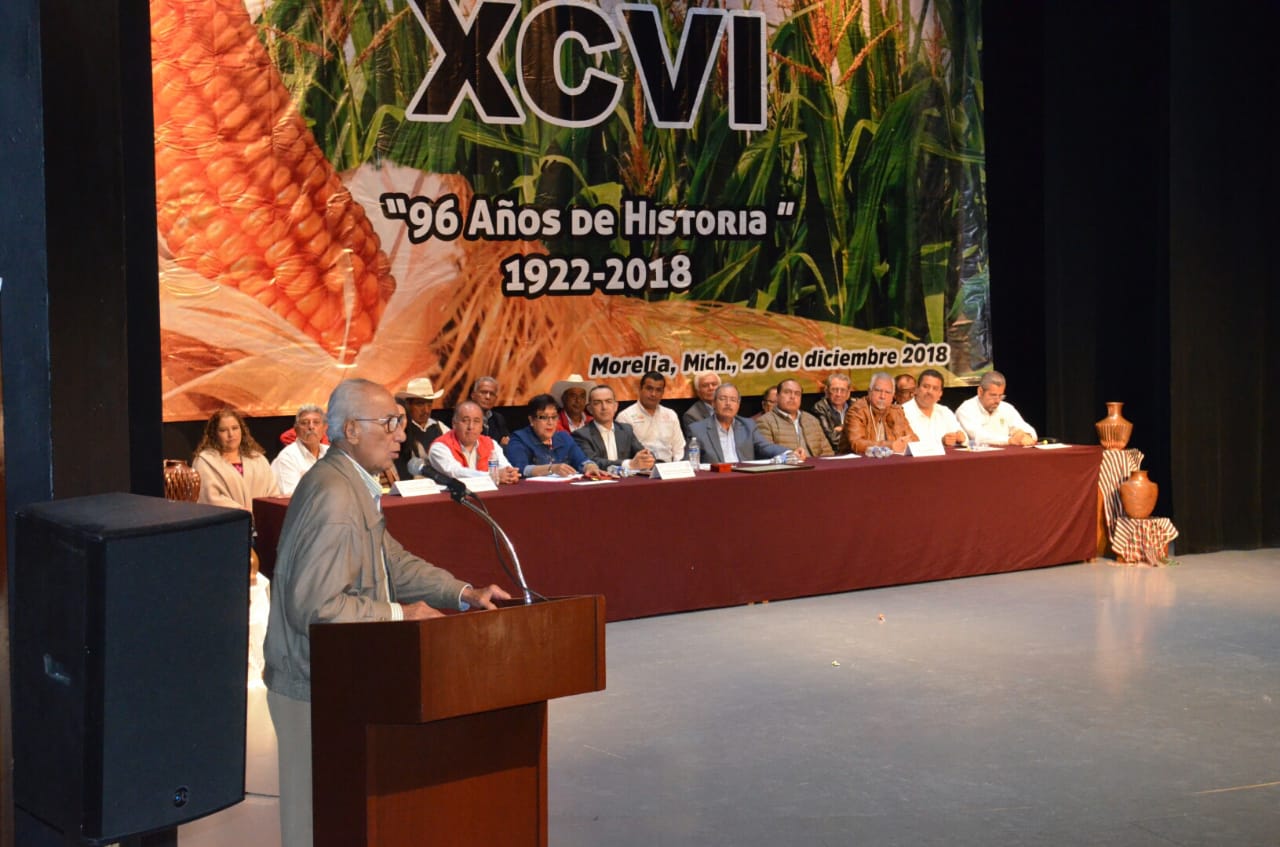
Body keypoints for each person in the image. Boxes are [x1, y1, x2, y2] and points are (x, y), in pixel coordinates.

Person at [263, 379, 510, 847]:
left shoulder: (352, 482)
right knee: (316, 824)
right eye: (390, 423)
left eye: (401, 422)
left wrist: (461, 592)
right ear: (351, 429)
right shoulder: (335, 495)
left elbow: (389, 561)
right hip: (311, 687)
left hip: (336, 681)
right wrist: (401, 613)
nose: (401, 434)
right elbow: (314, 608)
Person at [193, 407, 281, 511]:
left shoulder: (258, 459)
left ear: (242, 430)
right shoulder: (205, 461)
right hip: (228, 522)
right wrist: (241, 512)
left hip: (262, 521)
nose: (231, 434)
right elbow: (210, 497)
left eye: (235, 428)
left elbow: (273, 493)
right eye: (223, 430)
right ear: (214, 434)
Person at [505, 394, 610, 478]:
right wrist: (552, 469)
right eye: (544, 417)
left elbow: (582, 460)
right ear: (531, 420)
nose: (550, 422)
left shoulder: (564, 438)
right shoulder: (519, 439)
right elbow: (520, 469)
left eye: (554, 417)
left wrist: (589, 466)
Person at [687, 384, 788, 463]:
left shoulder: (748, 425)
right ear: (713, 403)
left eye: (733, 400)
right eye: (723, 399)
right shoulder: (697, 430)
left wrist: (789, 453)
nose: (728, 403)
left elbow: (766, 447)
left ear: (738, 405)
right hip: (715, 481)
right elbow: (688, 462)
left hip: (743, 479)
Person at [428, 401, 520, 483]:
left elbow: (505, 467)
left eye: (476, 421)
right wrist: (492, 476)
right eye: (465, 420)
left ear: (481, 427)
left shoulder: (491, 444)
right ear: (454, 424)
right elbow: (455, 472)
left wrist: (510, 474)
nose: (471, 426)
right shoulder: (440, 447)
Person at [573, 385, 656, 472]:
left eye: (608, 401)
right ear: (589, 409)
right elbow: (592, 462)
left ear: (615, 406)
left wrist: (647, 458)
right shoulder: (581, 435)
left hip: (627, 481)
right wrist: (628, 464)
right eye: (597, 403)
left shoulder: (625, 429)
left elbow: (642, 452)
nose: (604, 407)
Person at [838, 372, 918, 455]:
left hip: (891, 462)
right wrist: (891, 446)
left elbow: (913, 439)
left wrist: (906, 442)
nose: (882, 396)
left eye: (887, 392)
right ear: (869, 391)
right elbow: (857, 444)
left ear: (893, 396)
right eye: (878, 390)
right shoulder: (857, 411)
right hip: (859, 464)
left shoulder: (897, 412)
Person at [616, 370, 686, 463]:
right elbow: (623, 454)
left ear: (662, 392)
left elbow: (679, 448)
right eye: (649, 388)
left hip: (669, 469)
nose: (653, 394)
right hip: (640, 470)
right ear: (640, 389)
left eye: (658, 390)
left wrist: (679, 468)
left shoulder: (670, 414)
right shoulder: (625, 416)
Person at [956, 370, 1038, 446]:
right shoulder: (966, 409)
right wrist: (1009, 440)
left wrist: (1026, 435)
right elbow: (978, 436)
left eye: (1000, 396)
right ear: (980, 392)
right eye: (993, 395)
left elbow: (1027, 429)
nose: (998, 401)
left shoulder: (1006, 408)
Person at [755, 379, 833, 458]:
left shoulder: (812, 420)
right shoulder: (765, 421)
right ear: (777, 396)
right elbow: (766, 453)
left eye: (797, 393)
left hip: (816, 467)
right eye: (787, 392)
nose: (792, 396)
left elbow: (828, 453)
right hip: (786, 468)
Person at [393, 377, 450, 480]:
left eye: (429, 404)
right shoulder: (402, 428)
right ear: (408, 404)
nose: (426, 410)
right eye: (420, 404)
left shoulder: (440, 427)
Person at [271, 404, 329, 495]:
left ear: (325, 428)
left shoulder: (332, 453)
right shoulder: (287, 458)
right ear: (296, 429)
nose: (311, 427)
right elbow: (291, 496)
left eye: (316, 422)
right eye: (304, 423)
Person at [901, 368, 966, 448]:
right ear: (916, 389)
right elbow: (909, 445)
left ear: (940, 394)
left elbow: (963, 438)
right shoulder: (902, 412)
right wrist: (941, 442)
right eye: (926, 386)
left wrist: (960, 438)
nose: (930, 392)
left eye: (935, 388)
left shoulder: (945, 412)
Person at [811, 373, 852, 452]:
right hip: (832, 454)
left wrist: (842, 428)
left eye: (843, 390)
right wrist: (851, 429)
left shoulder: (855, 405)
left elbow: (865, 434)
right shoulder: (819, 408)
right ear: (826, 391)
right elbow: (832, 439)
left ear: (848, 393)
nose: (838, 394)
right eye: (834, 390)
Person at [470, 376, 510, 445]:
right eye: (483, 392)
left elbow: (507, 441)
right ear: (473, 395)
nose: (488, 397)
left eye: (492, 394)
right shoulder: (465, 418)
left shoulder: (498, 418)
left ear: (496, 399)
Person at [680, 371, 721, 437]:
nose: (711, 388)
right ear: (698, 392)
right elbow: (701, 441)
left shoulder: (729, 407)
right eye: (705, 386)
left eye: (714, 384)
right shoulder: (691, 416)